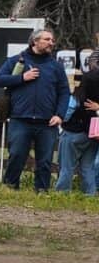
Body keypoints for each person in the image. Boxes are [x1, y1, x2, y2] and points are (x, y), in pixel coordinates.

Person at [0, 28, 70, 191]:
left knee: (45, 160)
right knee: (16, 155)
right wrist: (22, 77)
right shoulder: (17, 61)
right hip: (20, 118)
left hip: (47, 121)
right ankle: (10, 186)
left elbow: (64, 92)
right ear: (35, 41)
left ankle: (42, 190)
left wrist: (60, 115)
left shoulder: (56, 67)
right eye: (47, 39)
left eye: (52, 40)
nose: (51, 43)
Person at [55, 63, 99, 195]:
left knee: (67, 166)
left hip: (73, 132)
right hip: (92, 133)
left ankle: (62, 193)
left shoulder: (78, 94)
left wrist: (61, 121)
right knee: (88, 167)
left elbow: (67, 112)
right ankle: (89, 194)